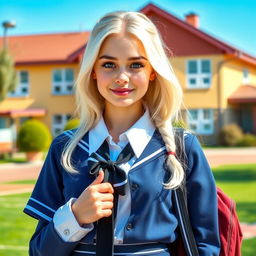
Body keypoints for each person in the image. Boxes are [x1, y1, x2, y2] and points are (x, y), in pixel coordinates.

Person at [24, 11, 220, 256]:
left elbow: (206, 246)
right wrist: (75, 217)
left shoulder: (182, 147)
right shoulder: (65, 149)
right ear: (93, 70)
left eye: (136, 64)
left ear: (153, 71)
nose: (122, 78)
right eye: (109, 64)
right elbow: (39, 251)